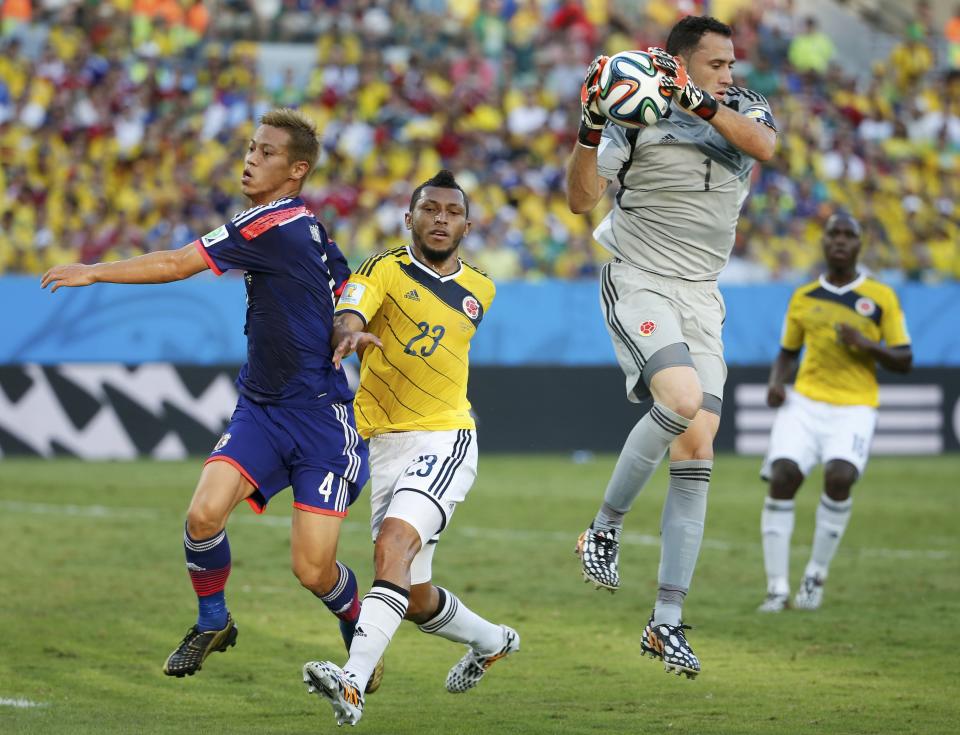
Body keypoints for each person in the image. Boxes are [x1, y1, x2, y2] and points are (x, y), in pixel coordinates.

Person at [41, 108, 382, 690]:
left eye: (267, 152)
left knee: (312, 569)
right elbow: (340, 282)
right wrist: (343, 323)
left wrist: (94, 271)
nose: (251, 158)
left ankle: (358, 630)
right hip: (262, 407)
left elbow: (177, 264)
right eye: (251, 147)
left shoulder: (274, 224)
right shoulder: (296, 222)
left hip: (321, 420)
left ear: (297, 170)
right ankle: (213, 621)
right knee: (202, 515)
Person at [565, 15, 777, 678]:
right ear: (682, 61)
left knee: (698, 446)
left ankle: (665, 621)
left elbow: (762, 146)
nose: (730, 73)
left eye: (731, 62)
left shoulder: (743, 106)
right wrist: (591, 124)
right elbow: (580, 200)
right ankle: (602, 527)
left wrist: (699, 97)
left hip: (703, 296)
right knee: (682, 399)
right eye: (717, 63)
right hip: (641, 278)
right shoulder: (635, 115)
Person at [301, 170, 519, 727]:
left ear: (467, 225)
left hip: (445, 436)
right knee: (415, 595)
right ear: (410, 218)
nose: (440, 219)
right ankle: (492, 641)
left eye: (451, 211)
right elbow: (348, 312)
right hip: (385, 446)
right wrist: (348, 331)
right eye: (429, 209)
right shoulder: (382, 269)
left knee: (391, 549)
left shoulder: (481, 289)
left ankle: (352, 681)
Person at [758, 213, 913, 613]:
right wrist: (777, 382)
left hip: (855, 405)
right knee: (783, 476)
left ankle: (815, 575)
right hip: (806, 401)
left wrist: (867, 344)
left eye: (849, 235)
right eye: (834, 234)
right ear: (823, 242)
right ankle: (776, 588)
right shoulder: (804, 296)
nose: (841, 241)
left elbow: (904, 359)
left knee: (840, 477)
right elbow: (787, 353)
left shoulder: (881, 297)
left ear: (860, 245)